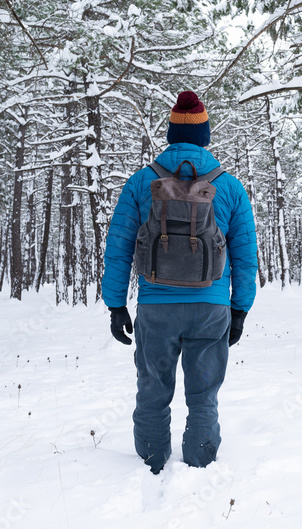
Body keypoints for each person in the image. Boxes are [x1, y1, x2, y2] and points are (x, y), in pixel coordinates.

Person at [102, 90, 257, 474]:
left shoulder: (141, 182)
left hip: (156, 305)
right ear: (205, 137)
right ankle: (200, 463)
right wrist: (240, 309)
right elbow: (246, 256)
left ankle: (151, 462)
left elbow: (119, 246)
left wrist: (116, 303)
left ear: (171, 135)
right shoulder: (230, 187)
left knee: (153, 388)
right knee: (204, 393)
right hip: (211, 305)